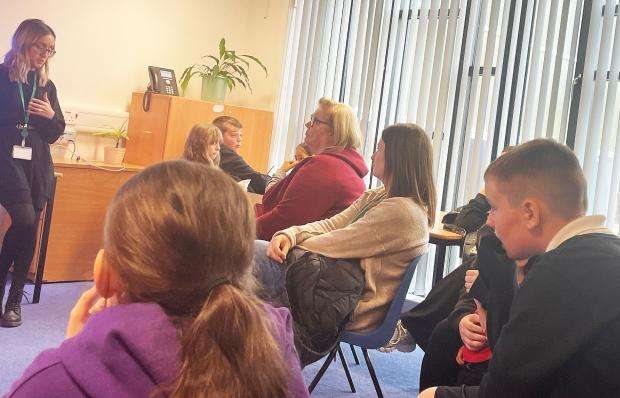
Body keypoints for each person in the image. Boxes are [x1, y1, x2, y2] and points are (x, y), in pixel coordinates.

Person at [6, 161, 308, 398]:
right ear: (245, 262)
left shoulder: (50, 384)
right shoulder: (276, 354)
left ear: (104, 273)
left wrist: (75, 356)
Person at [420, 139, 620, 398]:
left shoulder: (556, 274)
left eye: (494, 208)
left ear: (530, 213)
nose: (490, 222)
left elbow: (502, 388)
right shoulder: (602, 253)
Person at [255, 123, 436, 335]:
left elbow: (335, 242)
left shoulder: (402, 212)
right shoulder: (378, 196)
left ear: (398, 157)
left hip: (349, 306)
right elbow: (333, 224)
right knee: (255, 264)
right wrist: (290, 235)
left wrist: (288, 241)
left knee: (253, 256)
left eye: (379, 148)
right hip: (334, 289)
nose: (372, 155)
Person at [0, 19, 65, 327]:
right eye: (42, 47)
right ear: (25, 41)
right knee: (24, 219)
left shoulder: (46, 86)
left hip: (37, 160)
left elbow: (55, 132)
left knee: (30, 227)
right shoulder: (2, 77)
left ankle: (14, 301)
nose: (45, 55)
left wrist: (51, 116)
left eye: (51, 50)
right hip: (6, 156)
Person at [255, 97, 368, 241]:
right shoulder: (345, 167)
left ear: (334, 131)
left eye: (315, 120)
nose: (307, 124)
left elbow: (285, 220)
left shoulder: (325, 167)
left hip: (300, 254)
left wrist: (240, 229)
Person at [213, 115, 270, 193]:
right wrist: (277, 177)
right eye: (233, 135)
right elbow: (255, 178)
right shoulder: (225, 153)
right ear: (218, 137)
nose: (239, 139)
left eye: (240, 135)